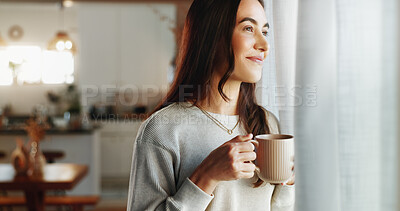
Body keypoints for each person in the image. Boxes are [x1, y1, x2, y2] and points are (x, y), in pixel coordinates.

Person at [127, 0, 295, 210]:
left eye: (265, 31)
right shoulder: (162, 129)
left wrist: (288, 184)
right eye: (249, 28)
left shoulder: (267, 123)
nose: (264, 45)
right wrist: (206, 176)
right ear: (212, 36)